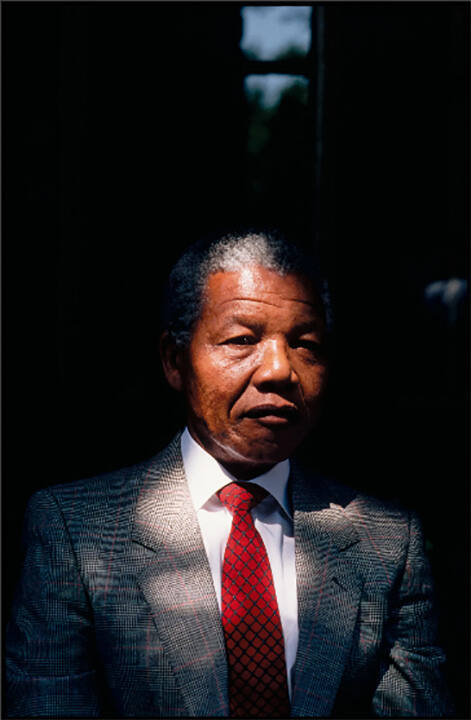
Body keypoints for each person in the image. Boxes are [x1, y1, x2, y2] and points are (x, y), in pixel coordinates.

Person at [6, 229, 452, 717]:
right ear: (175, 361)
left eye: (306, 344)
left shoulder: (387, 543)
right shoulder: (75, 533)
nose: (279, 369)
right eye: (243, 339)